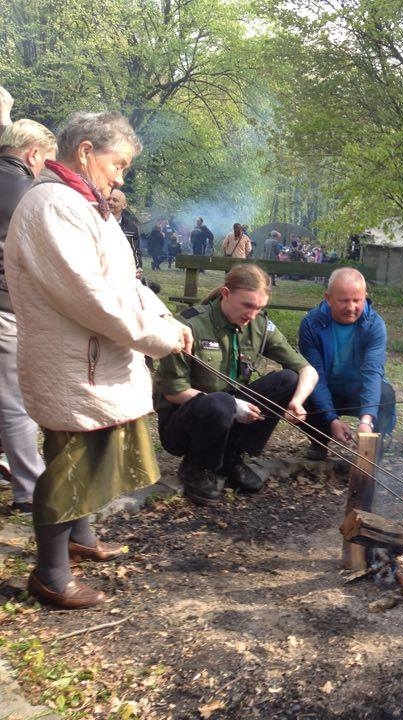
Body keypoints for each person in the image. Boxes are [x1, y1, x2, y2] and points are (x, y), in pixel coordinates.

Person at [7, 110, 192, 609]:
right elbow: (92, 298)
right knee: (73, 460)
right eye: (119, 163)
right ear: (86, 150)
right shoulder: (52, 206)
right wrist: (154, 337)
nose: (122, 175)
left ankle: (80, 538)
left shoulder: (83, 203)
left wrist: (168, 320)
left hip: (95, 355)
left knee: (90, 446)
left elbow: (126, 283)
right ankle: (49, 574)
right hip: (73, 359)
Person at [156, 263, 318, 505]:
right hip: (183, 424)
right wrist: (232, 404)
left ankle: (231, 458)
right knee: (220, 402)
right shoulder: (189, 326)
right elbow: (174, 392)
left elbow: (306, 369)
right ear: (225, 294)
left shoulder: (259, 326)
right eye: (247, 305)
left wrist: (297, 401)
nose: (252, 314)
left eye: (260, 307)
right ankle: (196, 467)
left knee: (287, 381)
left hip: (230, 413)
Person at [0, 117, 57, 514]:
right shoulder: (25, 191)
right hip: (4, 305)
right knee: (15, 400)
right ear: (32, 153)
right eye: (45, 162)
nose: (43, 171)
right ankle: (30, 488)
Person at [299, 268, 396, 460]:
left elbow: (373, 372)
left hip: (357, 392)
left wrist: (367, 419)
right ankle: (319, 440)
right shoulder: (311, 324)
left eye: (357, 300)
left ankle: (373, 441)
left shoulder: (375, 325)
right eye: (344, 300)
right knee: (302, 389)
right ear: (328, 298)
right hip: (327, 388)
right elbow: (315, 375)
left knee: (385, 393)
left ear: (365, 297)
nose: (351, 307)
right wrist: (332, 420)